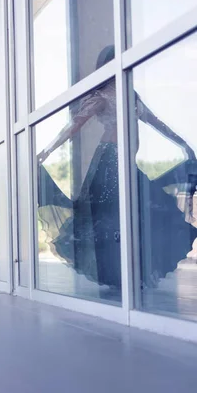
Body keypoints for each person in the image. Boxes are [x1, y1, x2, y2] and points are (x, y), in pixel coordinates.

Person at [37, 45, 197, 291]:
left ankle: (129, 273)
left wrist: (183, 144)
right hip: (110, 162)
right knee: (110, 218)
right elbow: (73, 126)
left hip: (127, 163)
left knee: (144, 212)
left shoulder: (131, 95)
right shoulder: (102, 96)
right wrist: (47, 150)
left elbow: (157, 123)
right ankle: (119, 275)